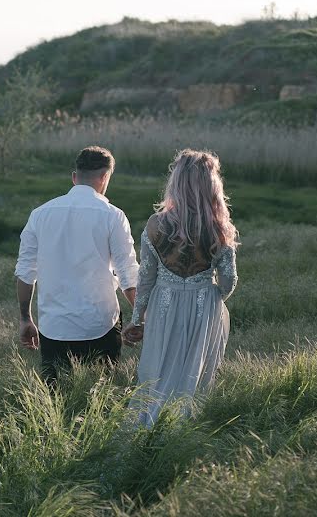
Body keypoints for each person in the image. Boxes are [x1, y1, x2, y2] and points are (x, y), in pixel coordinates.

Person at [122, 149, 239, 426]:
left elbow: (146, 279)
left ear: (176, 182)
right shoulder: (220, 228)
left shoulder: (156, 225)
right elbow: (229, 281)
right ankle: (182, 429)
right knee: (194, 374)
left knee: (157, 372)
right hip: (204, 307)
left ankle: (150, 427)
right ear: (212, 185)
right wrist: (209, 295)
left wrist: (137, 319)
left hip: (164, 305)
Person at [15, 146, 139, 386]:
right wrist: (140, 318)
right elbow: (127, 274)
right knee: (102, 400)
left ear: (74, 177)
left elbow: (25, 273)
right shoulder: (113, 215)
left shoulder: (39, 215)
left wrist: (25, 318)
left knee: (56, 402)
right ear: (105, 178)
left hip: (53, 328)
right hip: (100, 325)